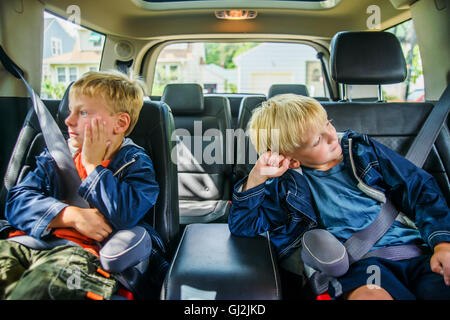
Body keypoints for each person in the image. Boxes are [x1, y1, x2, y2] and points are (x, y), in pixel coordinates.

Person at [228, 93, 450, 300]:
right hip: (361, 266)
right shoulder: (286, 187)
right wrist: (256, 178)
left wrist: (442, 243)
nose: (332, 136)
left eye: (328, 123)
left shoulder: (362, 152)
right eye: (317, 141)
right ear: (292, 160)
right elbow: (244, 226)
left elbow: (418, 187)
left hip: (418, 251)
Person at [0, 70, 167, 300]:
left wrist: (92, 166)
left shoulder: (135, 163)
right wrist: (71, 215)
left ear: (120, 123)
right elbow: (16, 201)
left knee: (41, 291)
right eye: (70, 111)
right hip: (27, 241)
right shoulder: (56, 156)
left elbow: (125, 214)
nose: (68, 120)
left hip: (83, 253)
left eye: (83, 112)